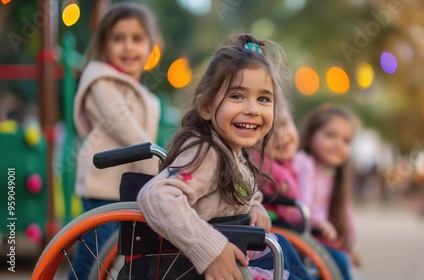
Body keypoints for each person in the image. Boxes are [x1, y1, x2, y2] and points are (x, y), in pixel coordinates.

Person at [137, 34, 311, 279]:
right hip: (195, 265)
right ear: (206, 108)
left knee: (282, 245)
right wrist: (210, 249)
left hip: (236, 249)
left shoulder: (235, 153)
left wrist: (254, 205)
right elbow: (156, 196)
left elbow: (239, 192)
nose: (252, 109)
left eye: (263, 99)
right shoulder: (206, 150)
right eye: (237, 96)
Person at [71, 3, 162, 279]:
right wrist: (163, 171)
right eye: (118, 38)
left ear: (150, 46)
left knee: (119, 261)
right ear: (104, 44)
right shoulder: (100, 82)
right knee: (94, 259)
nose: (128, 47)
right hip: (104, 187)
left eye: (137, 39)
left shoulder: (146, 96)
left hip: (131, 189)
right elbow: (128, 131)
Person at [293, 104, 361, 280]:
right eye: (330, 135)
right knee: (338, 260)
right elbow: (302, 201)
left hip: (318, 236)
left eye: (346, 140)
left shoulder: (337, 176)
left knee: (342, 259)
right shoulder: (304, 163)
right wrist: (319, 221)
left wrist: (352, 244)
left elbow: (346, 211)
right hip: (301, 232)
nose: (338, 144)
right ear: (311, 135)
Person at [253, 103, 303, 227]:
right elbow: (289, 189)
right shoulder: (259, 163)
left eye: (283, 124)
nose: (280, 135)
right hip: (271, 225)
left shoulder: (293, 161)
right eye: (269, 132)